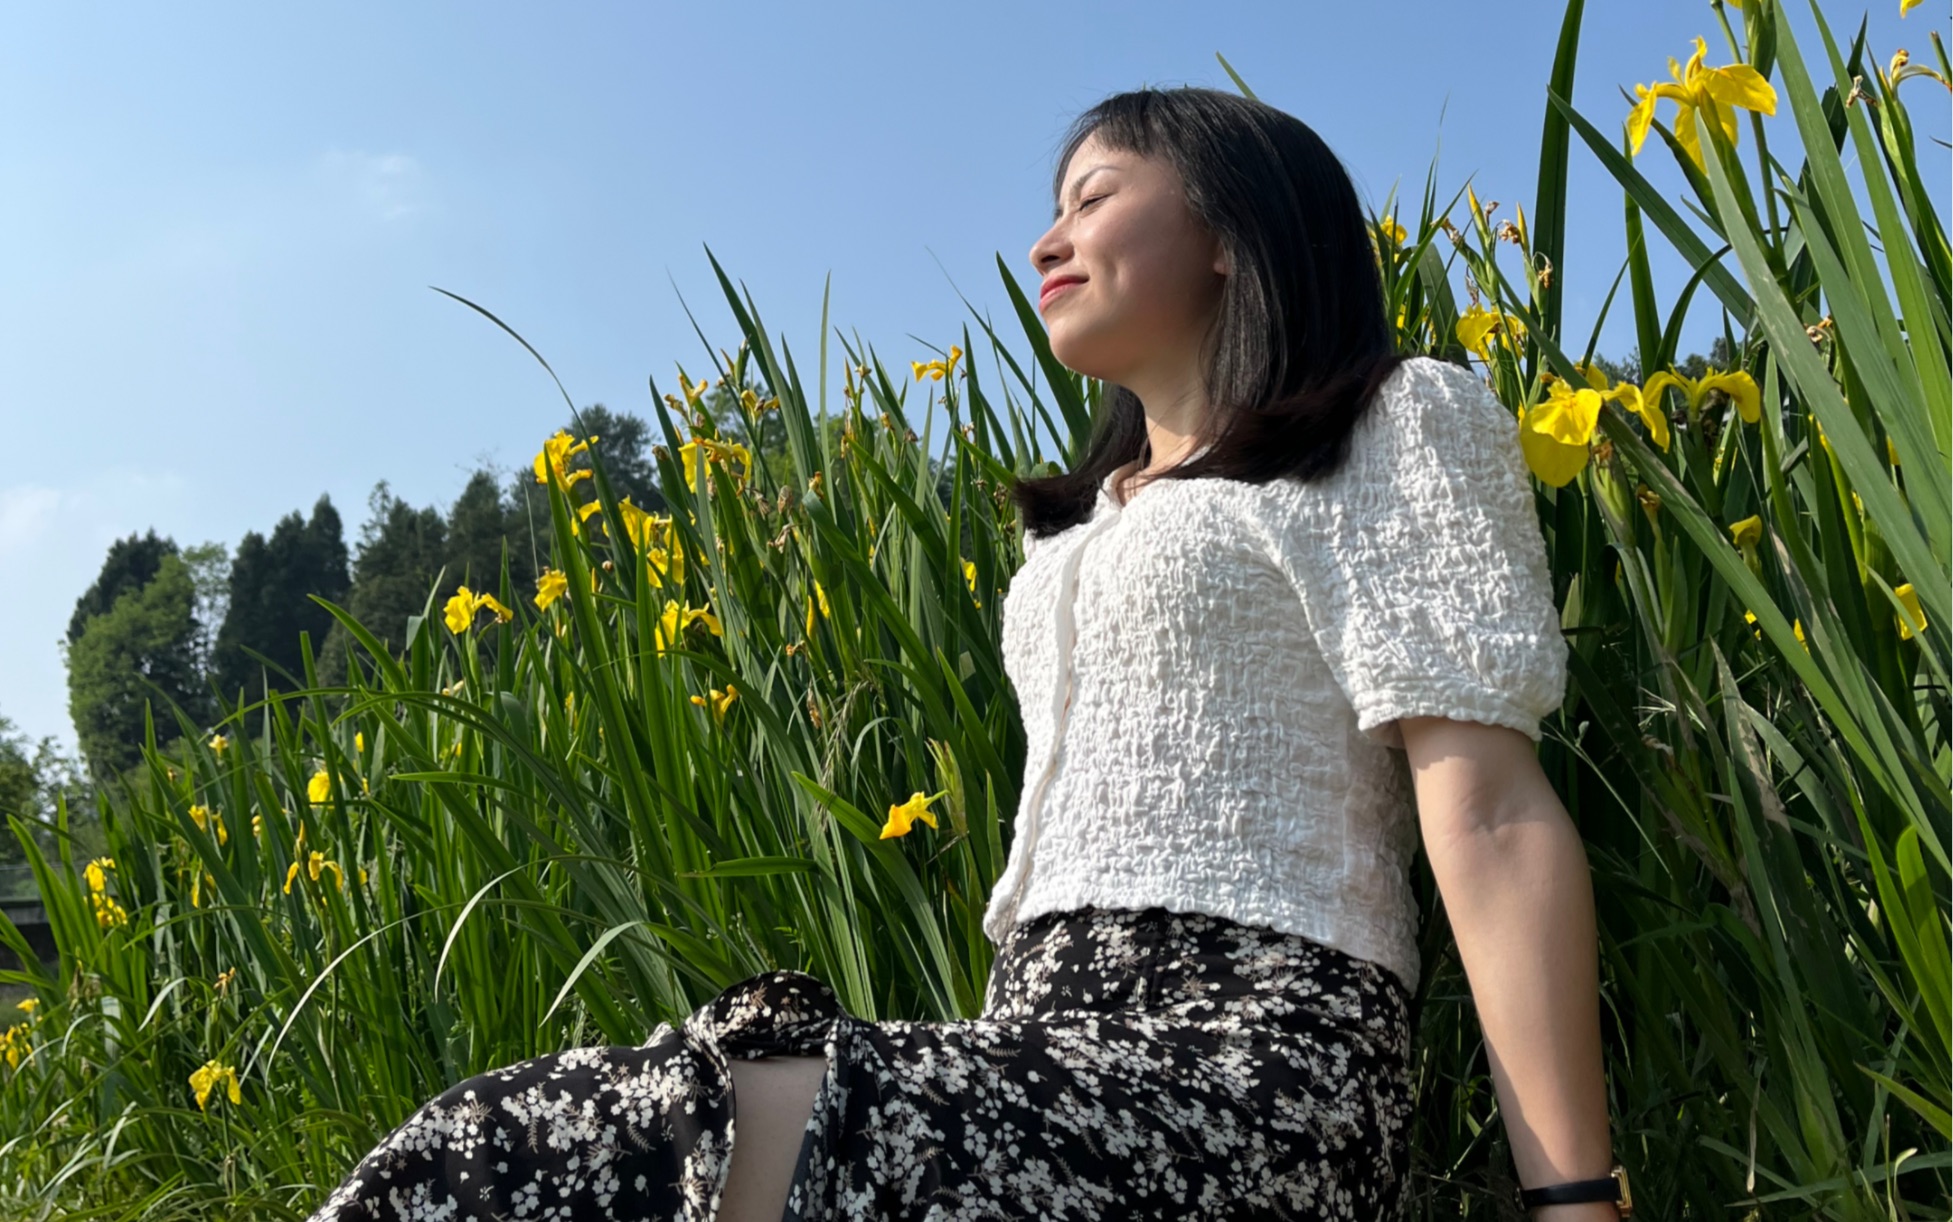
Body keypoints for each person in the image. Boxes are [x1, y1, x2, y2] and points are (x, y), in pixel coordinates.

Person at [305, 85, 1627, 1221]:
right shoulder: (1072, 533)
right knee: (491, 1141)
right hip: (1033, 1038)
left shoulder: (1394, 421)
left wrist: (1572, 1199)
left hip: (1245, 1059)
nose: (1047, 237)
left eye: (1094, 195)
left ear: (1232, 229)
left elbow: (1491, 811)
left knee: (590, 1142)